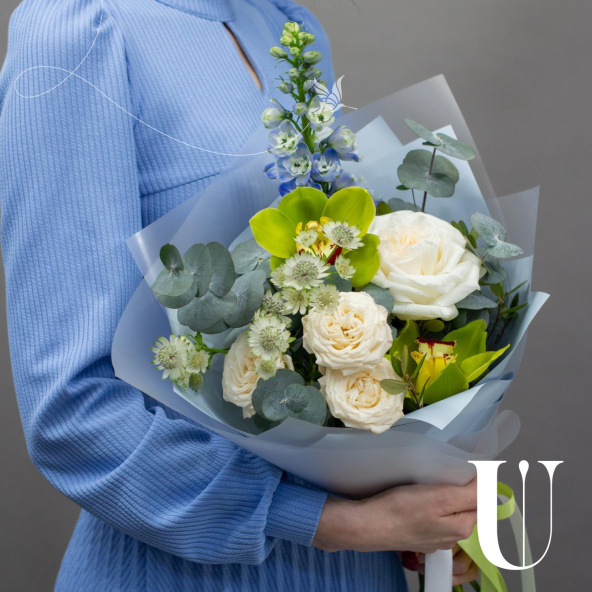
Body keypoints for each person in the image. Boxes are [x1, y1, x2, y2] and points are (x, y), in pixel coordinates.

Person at [0, 0, 478, 589]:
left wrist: (422, 504)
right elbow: (73, 411)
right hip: (185, 572)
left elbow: (337, 288)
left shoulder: (285, 23)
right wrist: (332, 522)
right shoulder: (78, 31)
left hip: (360, 567)